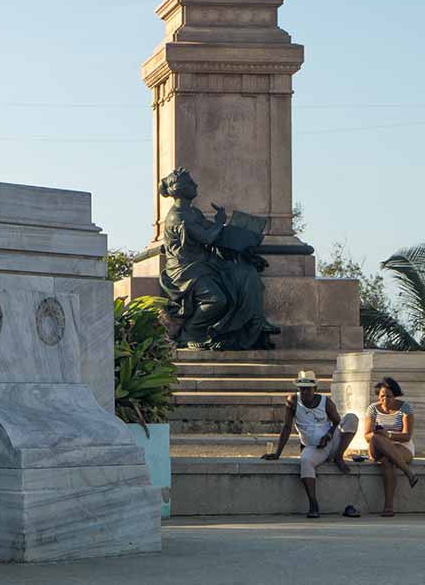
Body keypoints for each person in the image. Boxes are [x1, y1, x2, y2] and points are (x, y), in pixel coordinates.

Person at [157, 167, 279, 350]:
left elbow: (212, 232)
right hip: (187, 269)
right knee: (216, 299)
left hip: (205, 263)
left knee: (245, 273)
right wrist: (220, 222)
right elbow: (207, 237)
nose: (195, 185)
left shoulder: (194, 213)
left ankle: (255, 321)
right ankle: (190, 332)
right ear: (180, 189)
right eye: (191, 182)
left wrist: (239, 237)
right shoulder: (178, 217)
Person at [261, 370, 358, 518]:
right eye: (302, 388)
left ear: (315, 389)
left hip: (332, 443)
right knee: (305, 461)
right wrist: (277, 453)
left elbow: (337, 422)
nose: (305, 392)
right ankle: (313, 504)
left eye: (308, 388)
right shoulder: (293, 401)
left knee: (351, 418)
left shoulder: (326, 402)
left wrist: (329, 435)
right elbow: (287, 427)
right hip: (314, 448)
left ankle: (339, 456)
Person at [365, 376, 418, 517]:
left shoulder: (405, 408)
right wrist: (381, 435)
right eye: (382, 396)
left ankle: (388, 507)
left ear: (395, 395)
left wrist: (388, 435)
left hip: (401, 444)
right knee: (376, 437)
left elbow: (407, 435)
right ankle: (408, 472)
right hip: (377, 446)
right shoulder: (372, 409)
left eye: (389, 396)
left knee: (388, 461)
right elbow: (367, 436)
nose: (385, 399)